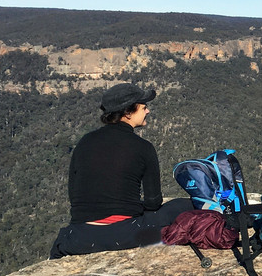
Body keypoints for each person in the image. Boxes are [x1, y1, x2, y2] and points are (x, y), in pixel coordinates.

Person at [50, 83, 192, 258]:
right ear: (127, 112)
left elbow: (74, 194)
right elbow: (153, 203)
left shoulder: (84, 142)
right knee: (183, 205)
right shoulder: (143, 147)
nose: (147, 111)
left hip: (79, 237)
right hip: (125, 234)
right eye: (144, 107)